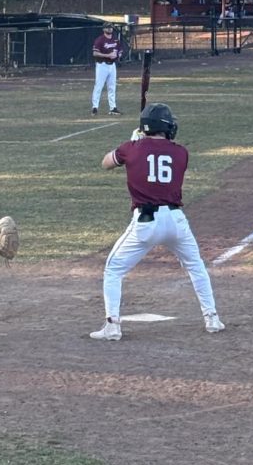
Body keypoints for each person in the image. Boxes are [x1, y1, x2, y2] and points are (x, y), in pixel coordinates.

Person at [89, 102, 224, 341]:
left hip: (145, 222)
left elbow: (106, 163)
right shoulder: (181, 152)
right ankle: (212, 318)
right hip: (175, 220)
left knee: (113, 270)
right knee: (196, 266)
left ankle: (112, 325)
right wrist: (137, 145)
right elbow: (159, 155)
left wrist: (131, 143)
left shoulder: (130, 149)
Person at [91, 22, 122, 116]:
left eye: (111, 28)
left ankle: (113, 108)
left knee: (112, 87)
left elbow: (120, 50)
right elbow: (95, 53)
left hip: (112, 65)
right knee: (99, 86)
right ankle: (95, 107)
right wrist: (107, 55)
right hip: (102, 65)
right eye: (107, 28)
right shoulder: (100, 40)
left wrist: (117, 55)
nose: (110, 29)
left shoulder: (115, 39)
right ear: (103, 29)